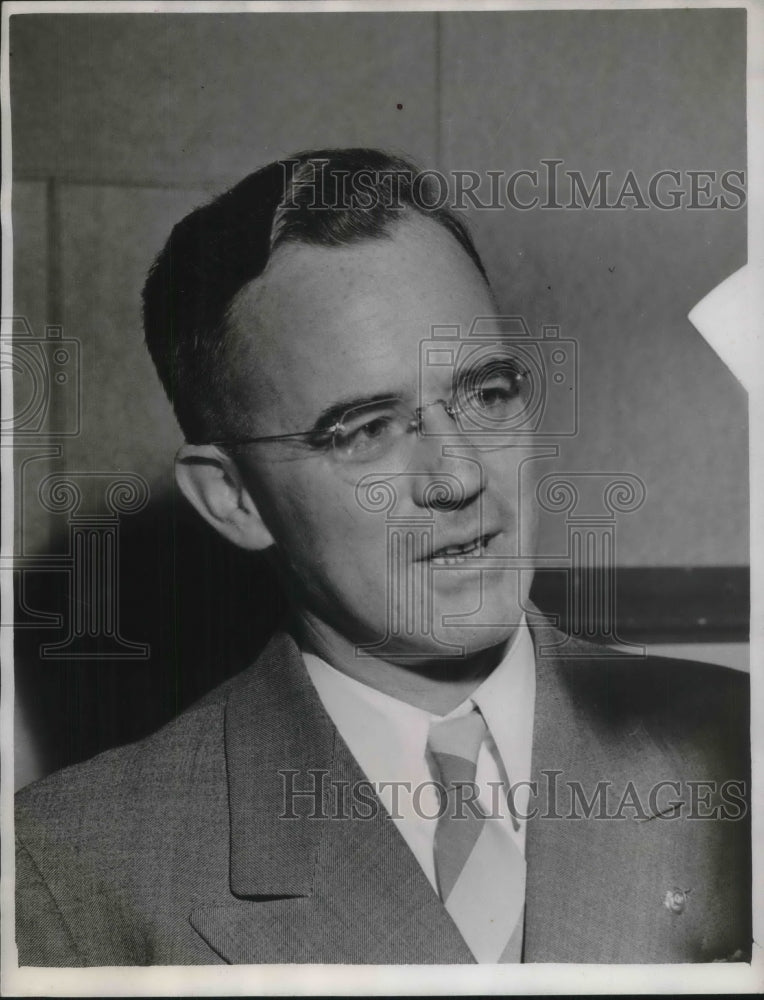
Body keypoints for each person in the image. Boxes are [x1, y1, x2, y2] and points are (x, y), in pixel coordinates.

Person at [15, 149, 750, 965]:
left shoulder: (738, 747)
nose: (460, 476)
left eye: (486, 393)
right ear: (234, 497)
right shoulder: (70, 870)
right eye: (366, 430)